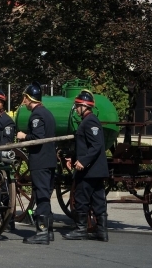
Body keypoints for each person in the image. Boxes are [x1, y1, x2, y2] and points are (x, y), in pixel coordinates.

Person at [63, 90, 110, 242]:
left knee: (81, 198)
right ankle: (102, 232)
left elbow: (96, 145)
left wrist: (83, 161)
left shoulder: (90, 121)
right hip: (95, 170)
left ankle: (80, 229)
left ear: (84, 106)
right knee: (98, 200)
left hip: (89, 171)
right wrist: (73, 157)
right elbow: (85, 145)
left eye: (78, 106)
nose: (76, 109)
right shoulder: (89, 120)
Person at [16, 81, 57, 244]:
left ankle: (42, 232)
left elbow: (38, 138)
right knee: (45, 194)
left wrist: (24, 136)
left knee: (41, 195)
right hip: (49, 160)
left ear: (28, 98)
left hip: (40, 161)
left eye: (24, 98)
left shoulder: (37, 115)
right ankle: (49, 230)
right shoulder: (48, 113)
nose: (24, 101)